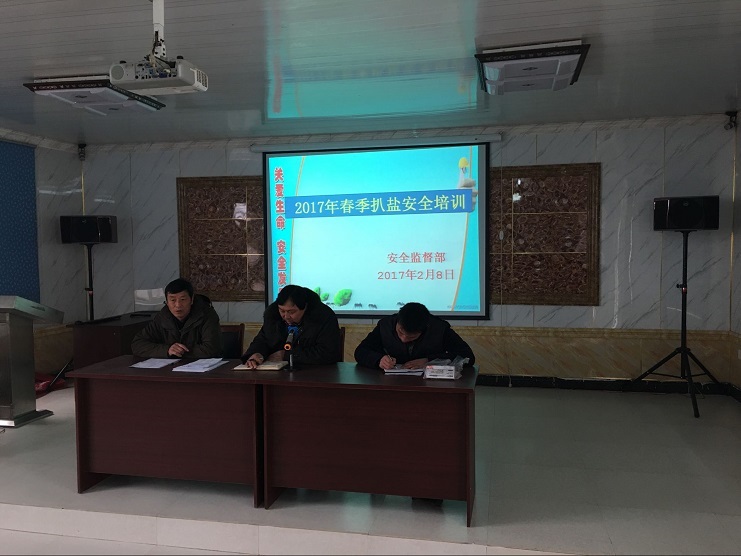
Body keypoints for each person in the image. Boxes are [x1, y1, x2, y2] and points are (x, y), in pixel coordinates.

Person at [241, 284, 341, 368]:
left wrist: (288, 355)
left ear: (305, 307)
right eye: (282, 311)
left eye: (291, 312)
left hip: (316, 373)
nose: (286, 316)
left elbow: (328, 353)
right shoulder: (273, 317)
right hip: (278, 374)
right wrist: (256, 354)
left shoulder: (323, 317)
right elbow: (263, 340)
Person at [354, 302, 475, 370]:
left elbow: (467, 356)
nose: (403, 339)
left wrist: (430, 361)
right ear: (397, 321)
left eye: (411, 337)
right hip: (391, 383)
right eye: (400, 332)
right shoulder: (385, 325)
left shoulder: (439, 329)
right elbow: (360, 351)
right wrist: (379, 360)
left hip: (430, 386)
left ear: (424, 329)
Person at [131, 278, 223, 358]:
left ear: (191, 300)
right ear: (167, 302)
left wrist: (179, 352)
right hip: (170, 368)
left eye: (183, 299)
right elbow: (137, 344)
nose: (178, 305)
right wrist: (167, 350)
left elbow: (212, 348)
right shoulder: (162, 317)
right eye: (173, 300)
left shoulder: (207, 315)